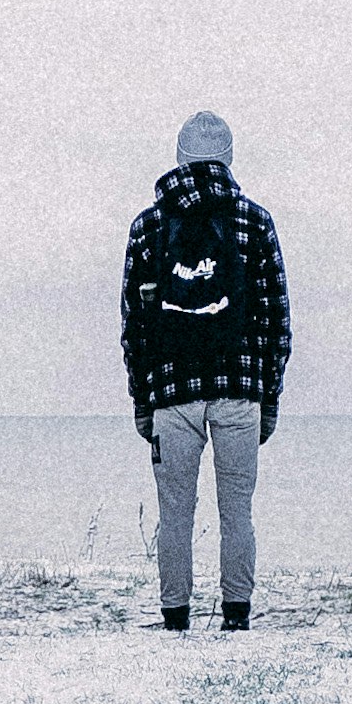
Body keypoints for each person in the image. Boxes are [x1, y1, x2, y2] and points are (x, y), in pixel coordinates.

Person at [119, 108, 286, 629]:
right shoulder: (255, 222)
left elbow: (133, 327)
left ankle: (176, 619)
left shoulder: (148, 226)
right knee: (237, 511)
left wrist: (143, 402)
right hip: (240, 391)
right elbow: (276, 320)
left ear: (179, 156)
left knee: (175, 515)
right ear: (230, 159)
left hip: (173, 393)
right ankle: (236, 616)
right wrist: (269, 398)